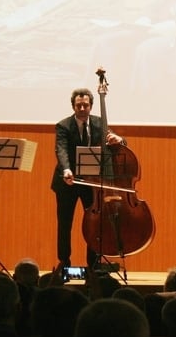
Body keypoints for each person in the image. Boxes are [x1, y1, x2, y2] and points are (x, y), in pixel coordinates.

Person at [51, 87, 125, 269]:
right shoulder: (63, 125)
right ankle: (64, 261)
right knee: (65, 222)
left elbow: (120, 144)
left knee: (94, 224)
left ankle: (93, 263)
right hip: (68, 181)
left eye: (85, 105)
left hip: (91, 183)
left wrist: (119, 139)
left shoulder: (100, 124)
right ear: (73, 106)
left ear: (91, 106)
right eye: (78, 105)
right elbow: (61, 150)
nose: (82, 108)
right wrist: (66, 169)